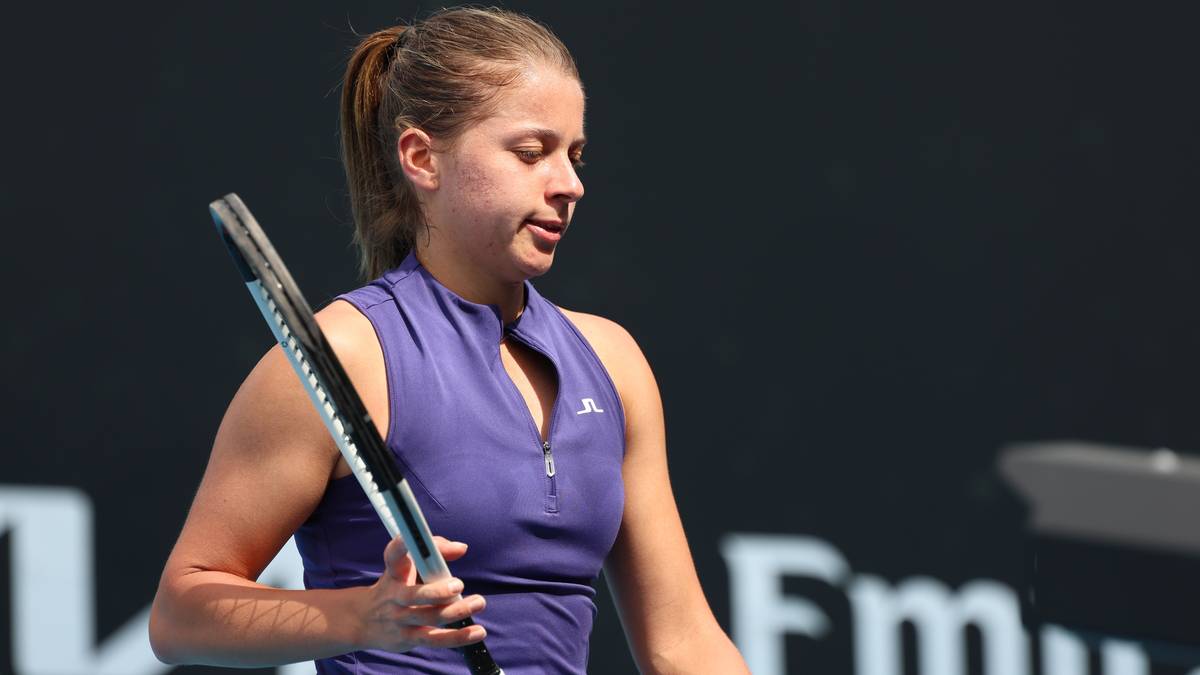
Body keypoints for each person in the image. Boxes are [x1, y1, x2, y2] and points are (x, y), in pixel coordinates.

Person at [149, 7, 749, 674]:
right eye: (531, 152)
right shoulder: (348, 354)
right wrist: (365, 616)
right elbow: (179, 614)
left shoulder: (614, 361)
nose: (569, 184)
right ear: (421, 158)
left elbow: (683, 641)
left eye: (574, 156)